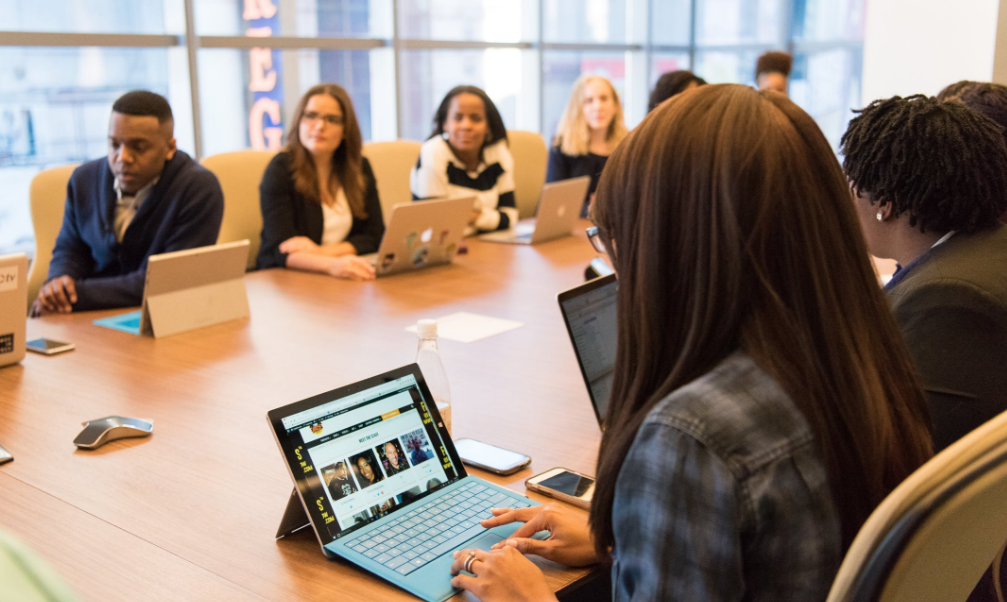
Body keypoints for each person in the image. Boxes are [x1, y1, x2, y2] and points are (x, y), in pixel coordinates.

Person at [448, 84, 933, 601]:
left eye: (615, 241)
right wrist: (630, 545)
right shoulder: (860, 356)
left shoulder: (692, 437)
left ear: (674, 245)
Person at [841, 94, 1007, 452]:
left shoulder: (949, 298)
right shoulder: (986, 246)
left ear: (885, 203)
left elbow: (922, 447)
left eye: (851, 184)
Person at [31, 90, 223, 316]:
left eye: (138, 147)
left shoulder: (197, 188)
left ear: (170, 148)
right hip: (86, 319)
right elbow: (70, 248)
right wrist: (58, 283)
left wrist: (76, 295)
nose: (123, 158)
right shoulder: (83, 180)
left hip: (160, 317)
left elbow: (166, 281)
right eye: (114, 144)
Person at [257, 84, 384, 280]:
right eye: (310, 115)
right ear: (299, 120)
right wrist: (332, 264)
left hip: (342, 276)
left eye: (332, 119)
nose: (319, 126)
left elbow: (374, 236)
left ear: (345, 130)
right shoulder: (280, 169)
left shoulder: (359, 168)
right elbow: (281, 249)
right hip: (287, 281)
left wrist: (320, 252)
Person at [410, 86, 516, 234]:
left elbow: (511, 216)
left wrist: (474, 217)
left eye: (476, 118)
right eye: (457, 118)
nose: (466, 126)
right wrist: (489, 218)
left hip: (487, 245)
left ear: (488, 126)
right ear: (445, 124)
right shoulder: (434, 151)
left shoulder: (498, 153)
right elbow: (435, 225)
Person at [546, 75, 629, 217]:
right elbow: (553, 204)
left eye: (604, 99)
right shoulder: (561, 145)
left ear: (615, 105)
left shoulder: (627, 146)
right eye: (589, 101)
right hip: (572, 228)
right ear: (578, 108)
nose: (598, 107)